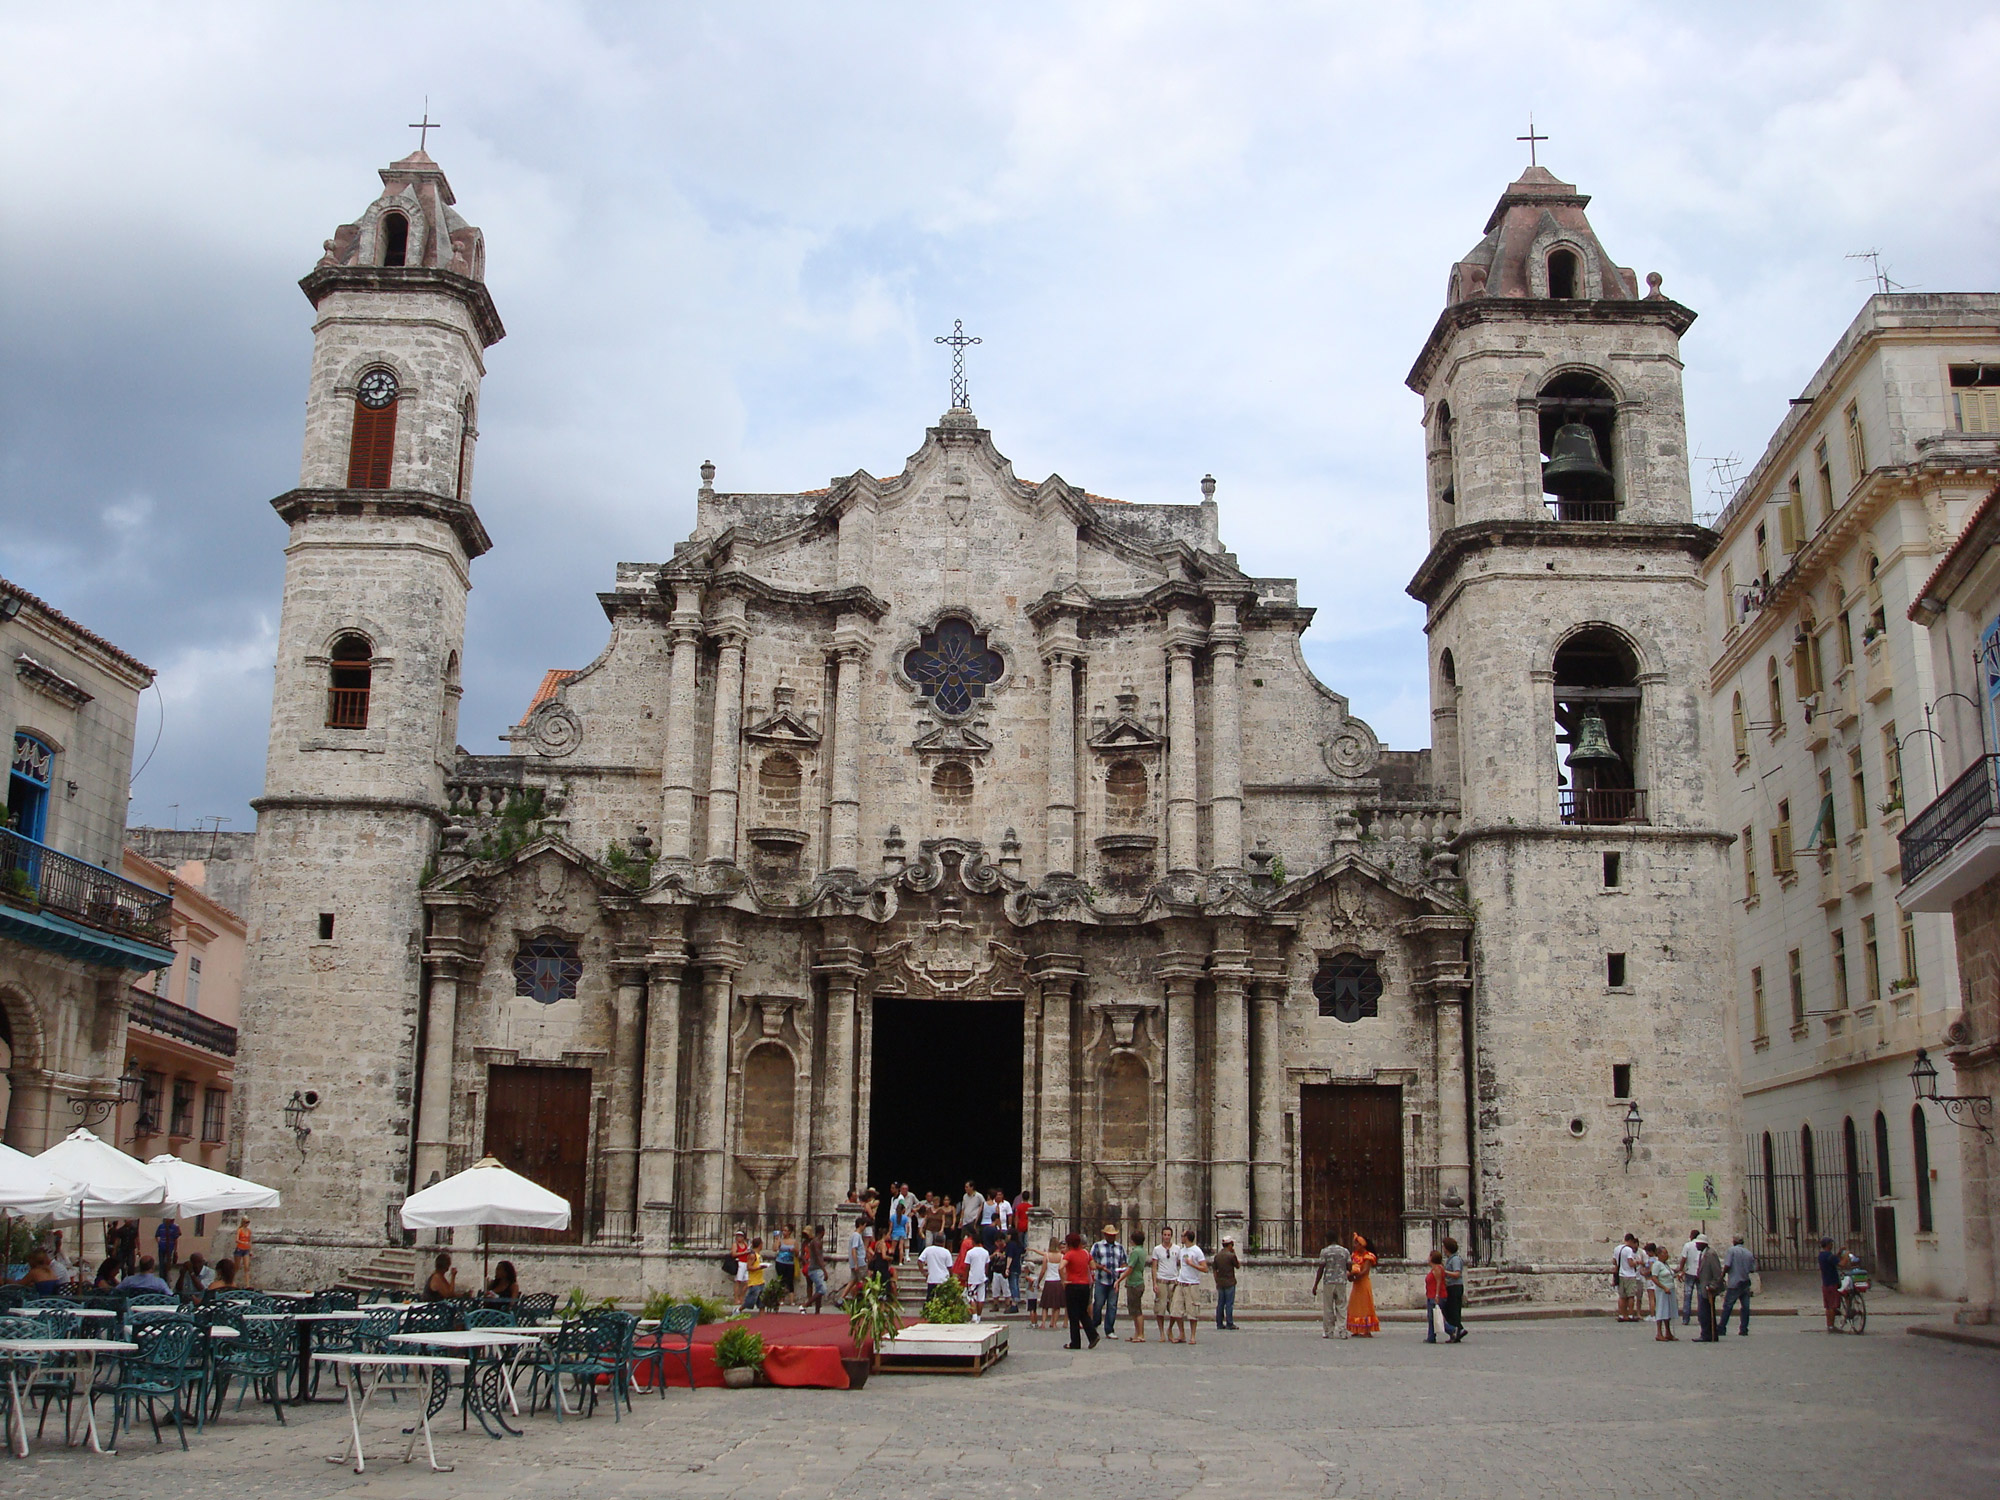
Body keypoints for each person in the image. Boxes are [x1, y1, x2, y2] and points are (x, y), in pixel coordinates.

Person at [1088, 1225, 1129, 1338]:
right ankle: (1095, 1323)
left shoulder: (1120, 1248)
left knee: (1112, 1305)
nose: (1112, 1237)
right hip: (1101, 1279)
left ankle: (1109, 1329)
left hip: (1114, 1280)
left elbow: (1124, 1262)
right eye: (1110, 1235)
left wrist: (1121, 1269)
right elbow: (1091, 1262)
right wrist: (1101, 1267)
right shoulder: (1097, 1246)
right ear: (1105, 1235)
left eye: (1113, 1235)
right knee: (1098, 1303)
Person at [1061, 1231, 1099, 1350]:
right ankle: (1092, 1335)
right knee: (1083, 1312)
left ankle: (1075, 1342)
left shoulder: (1069, 1254)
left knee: (1073, 1315)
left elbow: (1060, 1267)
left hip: (1072, 1285)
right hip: (1085, 1285)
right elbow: (1093, 1266)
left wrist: (1064, 1280)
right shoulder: (1086, 1253)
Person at [1311, 1232, 1351, 1338]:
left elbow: (1321, 1268)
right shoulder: (1345, 1251)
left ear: (1327, 1239)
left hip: (1328, 1281)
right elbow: (1349, 1266)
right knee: (1342, 1306)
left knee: (1328, 1307)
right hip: (1341, 1281)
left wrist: (1315, 1285)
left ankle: (1329, 1331)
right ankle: (1343, 1331)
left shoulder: (1325, 1252)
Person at [1175, 1229, 1208, 1346]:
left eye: (1182, 1236)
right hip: (1181, 1283)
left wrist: (1192, 1264)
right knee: (1176, 1310)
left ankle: (1193, 1336)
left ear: (1187, 1237)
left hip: (1192, 1284)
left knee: (1192, 1312)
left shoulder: (1197, 1251)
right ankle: (1182, 1333)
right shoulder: (1181, 1250)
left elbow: (1205, 1268)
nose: (1181, 1237)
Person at [1719, 1234, 1755, 1337]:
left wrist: (1722, 1276)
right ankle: (1744, 1328)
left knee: (1728, 1306)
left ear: (1734, 1242)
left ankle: (1722, 1327)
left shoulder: (1732, 1251)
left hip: (1734, 1282)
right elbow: (1752, 1269)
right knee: (1745, 1307)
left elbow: (1727, 1265)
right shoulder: (1748, 1253)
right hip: (1745, 1281)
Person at [1346, 1233, 1379, 1337]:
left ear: (1362, 1245)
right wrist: (1351, 1274)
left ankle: (1366, 1330)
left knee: (1365, 1305)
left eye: (1356, 1243)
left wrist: (1355, 1276)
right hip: (1357, 1284)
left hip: (1363, 1283)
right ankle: (1356, 1328)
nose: (1355, 1245)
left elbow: (1365, 1271)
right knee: (1355, 1305)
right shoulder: (1354, 1255)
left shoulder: (1368, 1256)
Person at [1645, 1242, 1677, 1341]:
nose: (1666, 1255)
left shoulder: (1665, 1264)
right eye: (1664, 1253)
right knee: (1661, 1310)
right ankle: (1659, 1333)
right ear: (1658, 1254)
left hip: (1669, 1290)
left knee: (1668, 1311)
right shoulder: (1657, 1264)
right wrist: (1663, 1287)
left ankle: (1668, 1332)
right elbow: (1654, 1278)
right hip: (1662, 1290)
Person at [1694, 1237, 1724, 1341]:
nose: (1696, 1245)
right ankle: (1709, 1333)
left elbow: (1717, 1272)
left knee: (1705, 1313)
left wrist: (1712, 1286)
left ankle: (1707, 1334)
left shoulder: (1710, 1254)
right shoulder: (1703, 1254)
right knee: (1704, 1312)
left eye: (1697, 1243)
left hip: (1708, 1289)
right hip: (1703, 1287)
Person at [1440, 1235, 1467, 1343]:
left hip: (1455, 1287)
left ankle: (1459, 1330)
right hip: (1450, 1286)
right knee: (1450, 1311)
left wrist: (1444, 1272)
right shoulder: (1450, 1259)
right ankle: (1456, 1332)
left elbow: (1457, 1273)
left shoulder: (1455, 1259)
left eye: (1444, 1246)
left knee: (1453, 1311)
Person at [1212, 1236, 1241, 1331]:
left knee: (1220, 1303)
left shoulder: (1217, 1256)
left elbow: (1214, 1269)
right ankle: (1229, 1323)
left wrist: (1216, 1280)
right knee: (1229, 1304)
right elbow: (1237, 1266)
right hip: (1230, 1282)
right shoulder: (1231, 1256)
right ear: (1230, 1245)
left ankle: (1219, 1323)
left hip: (1220, 1282)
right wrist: (1234, 1254)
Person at [1035, 1237, 1064, 1329]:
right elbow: (1063, 1270)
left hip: (1049, 1280)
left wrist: (1038, 1281)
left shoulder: (1047, 1256)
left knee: (1045, 1305)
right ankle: (1054, 1323)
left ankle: (1043, 1323)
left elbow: (1043, 1270)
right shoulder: (1061, 1256)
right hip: (1058, 1281)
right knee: (1056, 1305)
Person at [1677, 1228, 1702, 1330]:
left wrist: (1681, 1270)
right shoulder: (1701, 1245)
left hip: (1689, 1272)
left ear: (1691, 1235)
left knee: (1688, 1296)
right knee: (1700, 1296)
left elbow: (1684, 1259)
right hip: (1700, 1272)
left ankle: (1685, 1319)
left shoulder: (1688, 1245)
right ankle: (1701, 1318)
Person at [918, 1232, 955, 1300]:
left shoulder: (928, 1250)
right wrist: (951, 1278)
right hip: (943, 1279)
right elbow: (949, 1267)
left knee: (929, 1299)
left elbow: (919, 1261)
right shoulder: (946, 1252)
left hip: (932, 1279)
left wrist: (924, 1273)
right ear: (944, 1241)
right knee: (942, 1300)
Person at [1614, 1233, 1642, 1322]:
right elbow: (1630, 1263)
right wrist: (1637, 1262)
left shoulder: (1617, 1248)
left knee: (1622, 1296)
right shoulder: (1628, 1250)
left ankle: (1622, 1315)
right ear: (1630, 1241)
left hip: (1620, 1274)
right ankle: (1630, 1315)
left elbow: (1614, 1261)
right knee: (1630, 1296)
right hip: (1629, 1275)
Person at [963, 1235, 991, 1322]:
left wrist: (966, 1278)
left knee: (971, 1297)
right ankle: (979, 1316)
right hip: (982, 1277)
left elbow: (967, 1266)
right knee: (980, 1298)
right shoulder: (985, 1252)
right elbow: (987, 1265)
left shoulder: (970, 1253)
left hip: (972, 1278)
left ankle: (974, 1316)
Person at [1817, 1236, 1841, 1333]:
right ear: (1827, 1245)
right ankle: (1831, 1326)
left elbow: (1833, 1259)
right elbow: (1841, 1264)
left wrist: (1838, 1254)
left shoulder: (1822, 1255)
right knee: (1832, 1306)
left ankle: (1829, 1325)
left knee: (1828, 1306)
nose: (1832, 1245)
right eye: (1830, 1243)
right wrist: (1846, 1256)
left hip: (1825, 1283)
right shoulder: (1829, 1256)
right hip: (1832, 1283)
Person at [800, 1226, 827, 1312]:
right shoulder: (816, 1242)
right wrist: (824, 1270)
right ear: (823, 1232)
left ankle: (817, 1310)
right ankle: (805, 1305)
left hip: (815, 1268)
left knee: (819, 1288)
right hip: (815, 1268)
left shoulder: (815, 1242)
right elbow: (819, 1257)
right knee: (822, 1289)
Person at [1424, 1251, 1447, 1343]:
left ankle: (1452, 1329)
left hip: (1435, 1295)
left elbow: (1438, 1282)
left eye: (1429, 1256)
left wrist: (1437, 1295)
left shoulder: (1437, 1268)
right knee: (1431, 1317)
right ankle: (1431, 1336)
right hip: (1431, 1294)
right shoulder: (1434, 1268)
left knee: (1435, 1317)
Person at [776, 1227, 798, 1298]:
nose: (784, 1232)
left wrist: (794, 1250)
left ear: (789, 1232)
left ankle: (792, 1300)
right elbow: (774, 1248)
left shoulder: (794, 1241)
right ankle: (781, 1298)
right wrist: (776, 1240)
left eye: (785, 1230)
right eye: (783, 1230)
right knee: (781, 1281)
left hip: (790, 1263)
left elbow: (797, 1254)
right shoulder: (781, 1240)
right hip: (780, 1262)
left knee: (790, 1281)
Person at [233, 1218, 253, 1285]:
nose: (247, 1224)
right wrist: (243, 1242)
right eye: (246, 1222)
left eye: (248, 1222)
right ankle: (232, 1281)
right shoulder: (240, 1230)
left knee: (247, 1267)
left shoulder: (249, 1231)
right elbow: (236, 1240)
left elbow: (249, 1241)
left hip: (246, 1249)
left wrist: (250, 1250)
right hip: (239, 1248)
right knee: (237, 1267)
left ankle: (247, 1284)